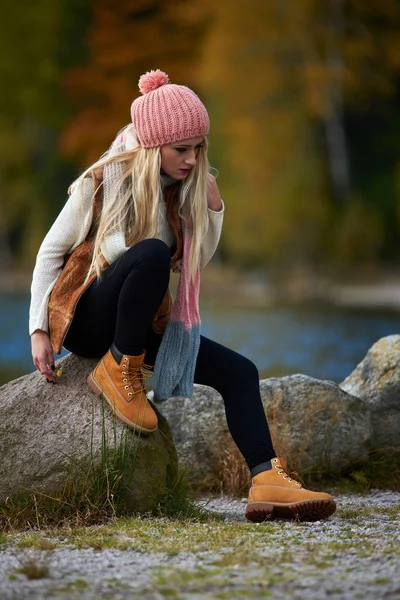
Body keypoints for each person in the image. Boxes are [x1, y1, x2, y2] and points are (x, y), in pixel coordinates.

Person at [29, 69, 336, 522]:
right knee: (150, 252)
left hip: (134, 323)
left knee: (239, 371)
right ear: (153, 146)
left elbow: (193, 262)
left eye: (197, 149)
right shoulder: (103, 180)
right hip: (87, 318)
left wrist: (213, 210)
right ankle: (119, 370)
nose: (192, 159)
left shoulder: (180, 191)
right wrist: (38, 330)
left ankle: (266, 480)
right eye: (181, 150)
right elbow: (49, 253)